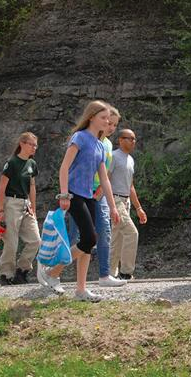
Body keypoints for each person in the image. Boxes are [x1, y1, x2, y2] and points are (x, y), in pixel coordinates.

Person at [41, 100, 121, 302]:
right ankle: (52, 272)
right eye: (103, 118)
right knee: (89, 239)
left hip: (90, 196)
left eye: (108, 119)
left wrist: (113, 207)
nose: (106, 122)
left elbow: (104, 179)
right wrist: (64, 194)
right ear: (91, 117)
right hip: (74, 195)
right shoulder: (80, 137)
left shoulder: (100, 145)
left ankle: (81, 290)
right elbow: (64, 167)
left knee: (87, 244)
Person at [69, 106, 126, 287]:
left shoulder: (106, 144)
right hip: (80, 192)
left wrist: (108, 200)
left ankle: (104, 274)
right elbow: (71, 168)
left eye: (114, 125)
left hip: (98, 194)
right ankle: (53, 268)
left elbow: (105, 173)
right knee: (75, 235)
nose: (110, 127)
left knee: (102, 233)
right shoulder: (84, 138)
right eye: (109, 122)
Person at [0, 132, 40, 285]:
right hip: (11, 203)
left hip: (25, 203)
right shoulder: (12, 162)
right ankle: (5, 274)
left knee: (35, 240)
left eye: (35, 145)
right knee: (11, 243)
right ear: (22, 143)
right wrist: (0, 210)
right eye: (31, 144)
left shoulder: (32, 163)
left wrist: (33, 207)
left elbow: (32, 186)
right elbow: (1, 188)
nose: (34, 148)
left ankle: (22, 270)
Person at [109, 128, 148, 280]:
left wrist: (138, 208)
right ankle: (126, 272)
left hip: (125, 202)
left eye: (134, 139)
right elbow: (105, 179)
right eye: (129, 138)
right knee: (132, 233)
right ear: (120, 140)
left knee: (116, 238)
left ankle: (110, 274)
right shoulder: (113, 156)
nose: (133, 142)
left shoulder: (130, 160)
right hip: (114, 199)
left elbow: (130, 186)